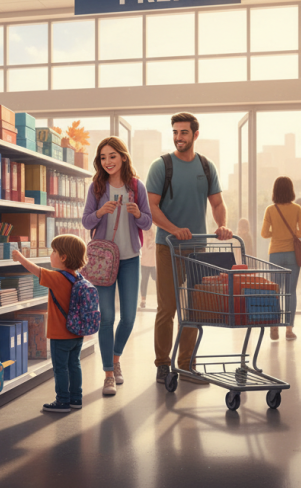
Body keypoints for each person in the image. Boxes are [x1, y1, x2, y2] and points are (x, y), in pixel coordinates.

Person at [146, 112, 232, 386]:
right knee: (167, 308)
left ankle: (187, 365)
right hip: (168, 246)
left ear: (195, 135)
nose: (178, 137)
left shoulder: (206, 167)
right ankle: (162, 364)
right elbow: (151, 206)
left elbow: (217, 204)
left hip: (198, 248)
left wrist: (221, 225)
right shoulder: (161, 166)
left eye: (184, 132)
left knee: (195, 307)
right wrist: (173, 229)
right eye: (175, 132)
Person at [81, 137, 152, 396]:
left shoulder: (137, 187)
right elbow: (86, 221)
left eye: (112, 156)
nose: (108, 161)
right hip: (102, 261)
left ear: (123, 157)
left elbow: (147, 223)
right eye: (103, 157)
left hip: (130, 258)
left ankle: (116, 357)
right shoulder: (97, 187)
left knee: (129, 317)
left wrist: (136, 214)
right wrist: (100, 213)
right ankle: (109, 374)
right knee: (107, 317)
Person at [12, 235, 88, 413]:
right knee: (74, 365)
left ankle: (62, 401)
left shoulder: (58, 278)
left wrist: (20, 258)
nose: (51, 255)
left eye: (54, 251)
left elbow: (37, 270)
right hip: (77, 333)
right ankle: (76, 398)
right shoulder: (78, 278)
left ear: (63, 257)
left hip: (60, 335)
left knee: (60, 368)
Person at [261, 177, 301, 341]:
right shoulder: (297, 209)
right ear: (291, 190)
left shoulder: (270, 210)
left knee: (275, 291)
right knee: (290, 292)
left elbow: (264, 233)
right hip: (292, 255)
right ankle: (289, 330)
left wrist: (277, 234)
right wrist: (291, 233)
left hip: (275, 254)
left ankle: (274, 326)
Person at [139, 226, 156, 309]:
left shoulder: (154, 233)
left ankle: (160, 300)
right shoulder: (143, 233)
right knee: (144, 281)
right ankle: (143, 300)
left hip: (154, 262)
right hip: (145, 262)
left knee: (157, 280)